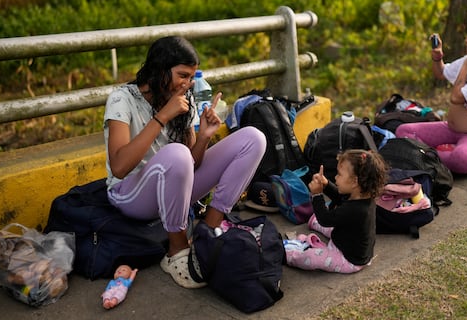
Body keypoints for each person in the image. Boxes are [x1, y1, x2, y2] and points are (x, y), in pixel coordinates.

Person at [103, 36, 266, 289]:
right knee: (176, 153)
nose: (188, 84)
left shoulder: (184, 100)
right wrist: (162, 116)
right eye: (182, 75)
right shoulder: (122, 99)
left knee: (253, 139)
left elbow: (192, 164)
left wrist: (203, 138)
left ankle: (208, 230)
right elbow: (119, 167)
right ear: (159, 69)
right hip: (130, 195)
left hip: (173, 191)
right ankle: (176, 251)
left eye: (191, 77)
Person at [395, 21, 467, 174]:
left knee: (462, 159)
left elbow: (456, 98)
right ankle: (429, 156)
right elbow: (441, 73)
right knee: (403, 131)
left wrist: (466, 67)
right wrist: (437, 57)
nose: (466, 40)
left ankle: (422, 156)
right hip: (452, 129)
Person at [285, 149, 388, 273]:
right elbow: (340, 199)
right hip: (346, 239)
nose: (335, 177)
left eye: (339, 174)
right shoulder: (362, 198)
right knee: (333, 222)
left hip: (349, 259)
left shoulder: (357, 210)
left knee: (312, 257)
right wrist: (326, 184)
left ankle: (289, 255)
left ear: (355, 181)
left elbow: (325, 219)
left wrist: (317, 195)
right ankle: (313, 222)